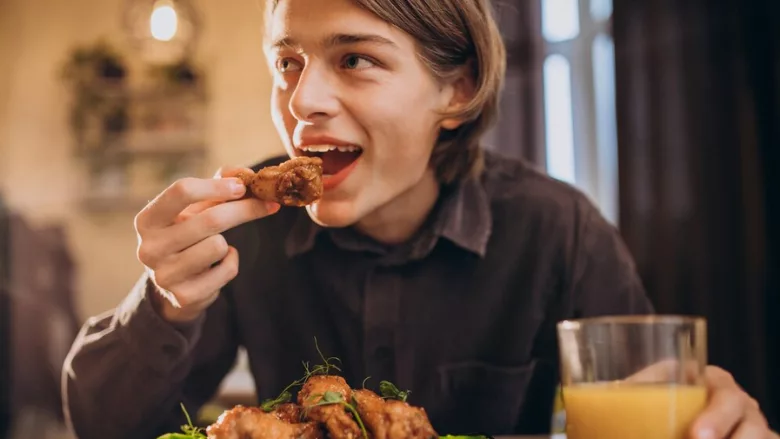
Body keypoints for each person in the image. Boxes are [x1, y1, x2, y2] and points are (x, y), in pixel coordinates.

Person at [62, 0, 776, 438]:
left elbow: (651, 404)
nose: (301, 99)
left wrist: (708, 415)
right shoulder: (247, 231)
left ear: (457, 89)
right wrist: (167, 302)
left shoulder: (558, 230)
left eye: (355, 59)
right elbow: (101, 427)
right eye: (287, 61)